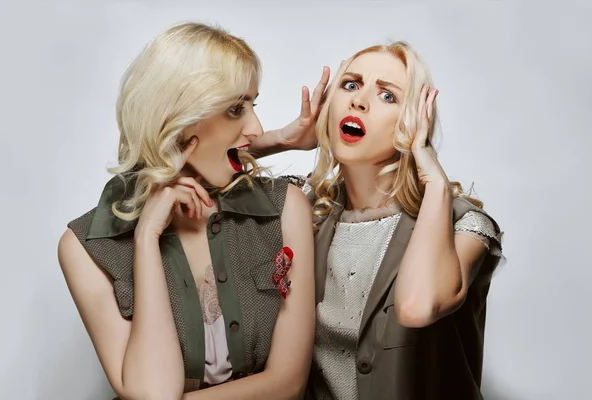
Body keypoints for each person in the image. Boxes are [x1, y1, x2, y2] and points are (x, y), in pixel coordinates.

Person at [57, 22, 327, 400]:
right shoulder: (87, 247)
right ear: (178, 117)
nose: (257, 127)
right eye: (236, 108)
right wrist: (147, 238)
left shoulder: (282, 210)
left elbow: (287, 383)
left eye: (253, 104)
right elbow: (154, 392)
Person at [253, 42, 504, 399]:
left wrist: (436, 185)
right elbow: (189, 172)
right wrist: (283, 139)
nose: (359, 101)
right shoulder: (308, 211)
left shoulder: (465, 227)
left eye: (387, 96)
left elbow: (417, 306)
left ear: (414, 121)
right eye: (351, 85)